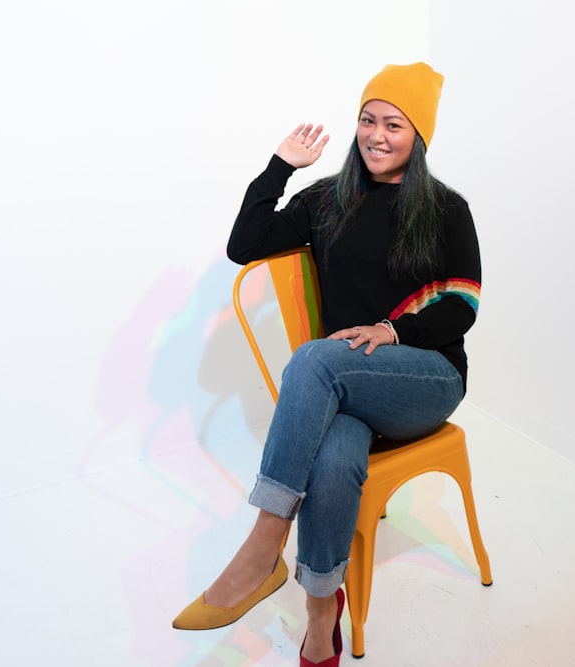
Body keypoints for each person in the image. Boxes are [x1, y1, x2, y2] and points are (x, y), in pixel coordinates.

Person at [172, 62, 481, 667]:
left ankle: (262, 553)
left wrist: (394, 331)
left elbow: (463, 306)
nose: (377, 135)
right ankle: (320, 615)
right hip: (347, 383)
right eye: (367, 119)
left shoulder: (446, 209)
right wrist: (281, 166)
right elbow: (244, 245)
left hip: (425, 378)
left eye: (394, 123)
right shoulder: (327, 200)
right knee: (337, 451)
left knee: (315, 360)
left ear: (419, 137)